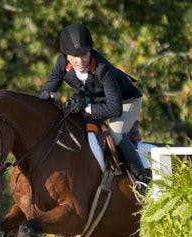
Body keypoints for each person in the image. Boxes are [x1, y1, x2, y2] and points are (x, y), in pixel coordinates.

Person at [39, 23, 148, 194]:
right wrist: (46, 95)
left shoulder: (102, 69)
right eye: (74, 56)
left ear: (90, 51)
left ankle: (142, 179)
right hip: (96, 101)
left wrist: (86, 107)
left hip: (126, 102)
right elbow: (48, 88)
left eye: (84, 54)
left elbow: (114, 108)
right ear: (66, 55)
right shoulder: (62, 63)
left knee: (115, 132)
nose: (80, 61)